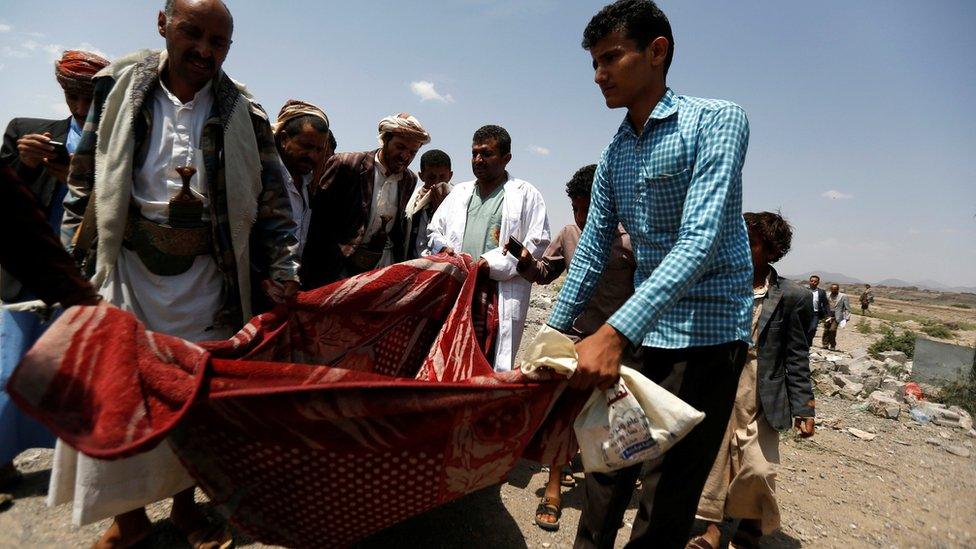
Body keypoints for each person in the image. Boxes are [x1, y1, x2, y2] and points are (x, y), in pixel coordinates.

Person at [55, 1, 301, 547]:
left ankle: (187, 508)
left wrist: (283, 269)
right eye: (193, 34)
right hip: (126, 275)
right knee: (123, 400)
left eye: (219, 43)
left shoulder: (245, 113)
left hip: (208, 285)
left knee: (192, 403)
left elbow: (275, 204)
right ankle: (131, 520)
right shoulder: (116, 88)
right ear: (162, 24)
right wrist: (72, 267)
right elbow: (84, 178)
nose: (204, 51)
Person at [546, 1, 753, 546]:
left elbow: (700, 242)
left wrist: (613, 332)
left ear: (657, 51)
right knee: (608, 471)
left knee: (666, 497)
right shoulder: (615, 151)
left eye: (611, 57)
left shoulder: (716, 121)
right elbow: (591, 251)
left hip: (705, 337)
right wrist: (552, 338)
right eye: (594, 62)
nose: (599, 75)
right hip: (641, 333)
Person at [0, 49, 109, 498]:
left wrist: (78, 180)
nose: (80, 107)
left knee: (77, 374)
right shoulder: (26, 132)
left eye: (88, 96)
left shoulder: (112, 145)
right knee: (11, 366)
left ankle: (81, 466)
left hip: (83, 274)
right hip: (26, 273)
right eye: (73, 95)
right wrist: (23, 166)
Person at [511, 164, 636, 531]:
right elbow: (545, 272)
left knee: (611, 418)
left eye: (588, 208)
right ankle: (553, 487)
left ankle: (607, 490)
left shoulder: (633, 239)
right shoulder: (569, 233)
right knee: (565, 413)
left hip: (617, 343)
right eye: (576, 208)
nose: (581, 217)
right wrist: (525, 264)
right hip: (575, 338)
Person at [689, 212, 815, 549]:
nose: (744, 248)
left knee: (757, 467)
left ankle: (751, 522)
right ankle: (714, 531)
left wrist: (806, 407)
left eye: (753, 243)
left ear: (772, 251)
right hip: (722, 384)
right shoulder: (723, 284)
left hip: (763, 392)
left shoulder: (792, 297)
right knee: (718, 464)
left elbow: (797, 355)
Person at [427, 125, 550, 372]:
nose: (478, 160)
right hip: (459, 288)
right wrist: (445, 250)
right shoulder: (459, 193)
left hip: (497, 293)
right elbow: (433, 232)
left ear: (506, 158)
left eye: (486, 153)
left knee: (489, 360)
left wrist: (489, 263)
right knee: (450, 354)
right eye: (474, 153)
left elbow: (536, 243)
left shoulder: (526, 194)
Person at [302, 113, 430, 288]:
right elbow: (316, 220)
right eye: (400, 147)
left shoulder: (408, 179)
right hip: (338, 269)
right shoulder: (347, 164)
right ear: (385, 139)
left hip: (381, 267)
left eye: (412, 152)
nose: (405, 156)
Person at [272, 99, 331, 257]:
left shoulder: (308, 184)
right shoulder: (264, 176)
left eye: (319, 150)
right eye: (306, 146)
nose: (312, 156)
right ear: (284, 139)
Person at [404, 149, 452, 260]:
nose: (437, 183)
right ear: (421, 176)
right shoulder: (412, 197)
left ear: (450, 176)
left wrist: (440, 211)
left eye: (442, 177)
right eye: (431, 177)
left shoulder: (455, 199)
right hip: (410, 260)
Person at [822, 283, 850, 350]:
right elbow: (824, 305)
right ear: (830, 289)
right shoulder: (827, 295)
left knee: (832, 330)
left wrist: (846, 318)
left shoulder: (843, 296)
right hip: (828, 315)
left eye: (835, 289)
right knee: (826, 330)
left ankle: (832, 345)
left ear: (838, 289)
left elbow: (847, 308)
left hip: (837, 316)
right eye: (832, 289)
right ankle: (825, 344)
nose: (834, 290)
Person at [805, 275, 830, 345]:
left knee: (812, 328)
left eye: (815, 281)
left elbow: (826, 304)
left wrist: (828, 315)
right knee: (804, 328)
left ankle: (808, 343)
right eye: (812, 281)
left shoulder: (821, 292)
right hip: (804, 313)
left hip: (815, 314)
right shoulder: (804, 290)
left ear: (818, 283)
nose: (813, 282)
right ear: (809, 281)